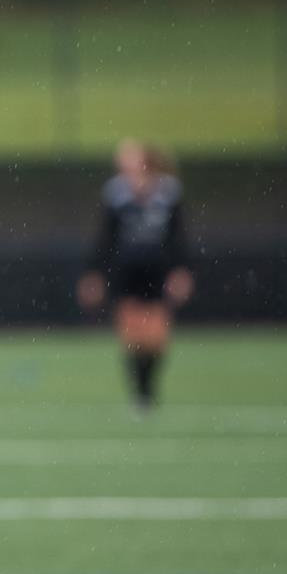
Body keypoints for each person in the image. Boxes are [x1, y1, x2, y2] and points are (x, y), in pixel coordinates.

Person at [77, 139, 193, 413]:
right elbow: (105, 239)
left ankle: (149, 387)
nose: (122, 165)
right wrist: (94, 275)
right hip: (126, 271)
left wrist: (181, 271)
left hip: (157, 270)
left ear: (145, 162)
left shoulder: (167, 193)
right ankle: (140, 395)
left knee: (156, 338)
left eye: (128, 159)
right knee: (132, 335)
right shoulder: (116, 194)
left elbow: (179, 237)